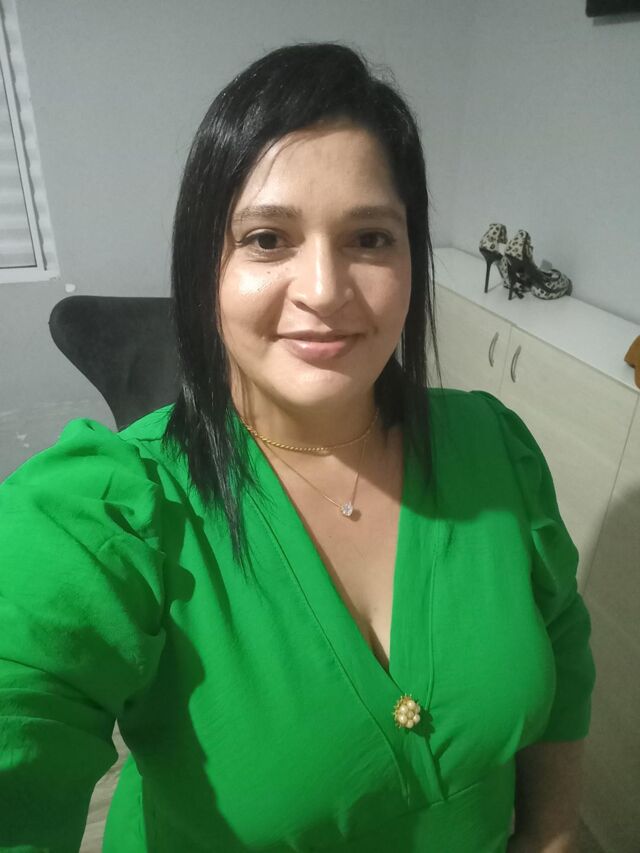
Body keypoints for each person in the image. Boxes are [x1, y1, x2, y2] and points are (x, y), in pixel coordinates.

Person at [0, 42, 595, 853]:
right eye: (267, 238)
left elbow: (562, 644)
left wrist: (553, 828)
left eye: (370, 238)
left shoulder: (495, 448)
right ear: (204, 267)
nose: (324, 290)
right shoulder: (109, 514)